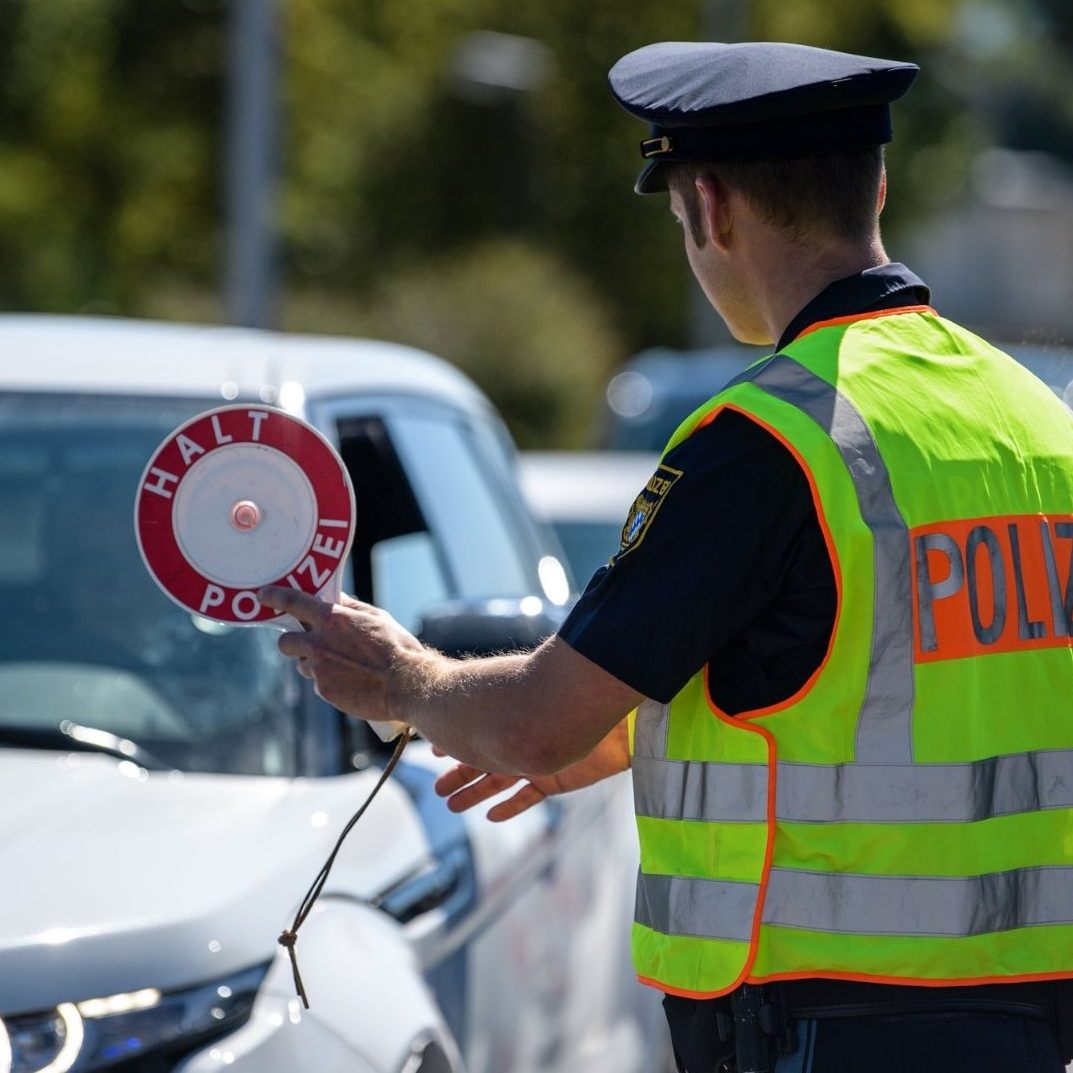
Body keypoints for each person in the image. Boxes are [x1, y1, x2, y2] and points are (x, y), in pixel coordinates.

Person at [262, 41, 1073, 1073]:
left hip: (825, 1026)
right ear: (874, 186)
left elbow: (533, 722)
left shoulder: (768, 439)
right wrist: (633, 732)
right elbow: (913, 682)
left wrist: (398, 677)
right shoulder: (1032, 417)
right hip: (1029, 1018)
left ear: (710, 208)